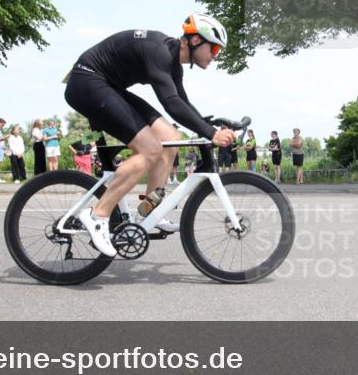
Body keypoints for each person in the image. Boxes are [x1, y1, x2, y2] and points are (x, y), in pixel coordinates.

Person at [63, 13, 237, 256]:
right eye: (215, 48)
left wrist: (210, 127)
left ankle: (149, 211)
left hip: (108, 85)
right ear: (196, 40)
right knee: (150, 148)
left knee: (171, 139)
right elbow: (171, 103)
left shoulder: (174, 64)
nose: (216, 56)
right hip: (87, 81)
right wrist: (210, 133)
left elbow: (182, 102)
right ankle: (97, 215)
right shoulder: (160, 53)